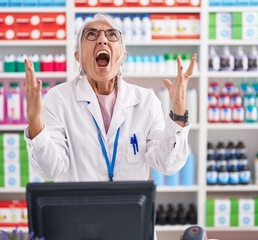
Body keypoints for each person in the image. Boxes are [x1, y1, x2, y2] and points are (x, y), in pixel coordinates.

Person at [24, 13, 197, 183]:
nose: (102, 40)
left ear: (122, 57)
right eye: (91, 34)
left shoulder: (146, 101)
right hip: (79, 209)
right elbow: (51, 170)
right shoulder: (58, 99)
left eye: (112, 35)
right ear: (78, 57)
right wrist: (35, 122)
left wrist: (178, 113)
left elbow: (167, 164)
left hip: (128, 209)